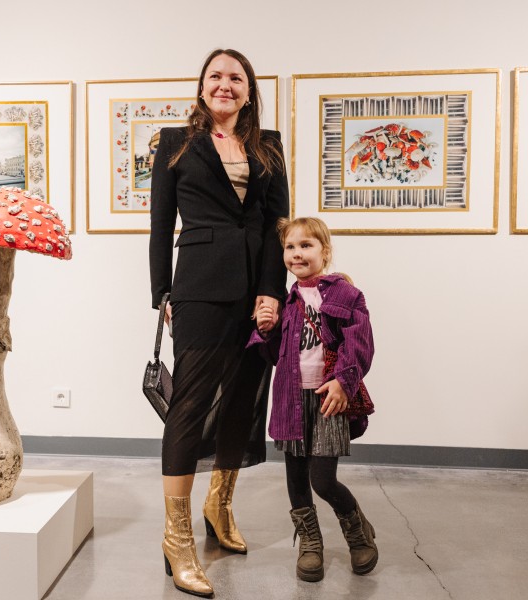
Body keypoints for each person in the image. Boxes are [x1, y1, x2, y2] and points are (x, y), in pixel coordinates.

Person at [149, 48, 289, 598]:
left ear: (249, 91)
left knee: (243, 399)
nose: (225, 85)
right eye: (216, 76)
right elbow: (161, 225)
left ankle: (219, 505)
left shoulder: (268, 146)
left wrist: (272, 291)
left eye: (236, 78)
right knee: (189, 407)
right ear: (202, 87)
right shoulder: (175, 143)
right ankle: (176, 538)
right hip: (200, 288)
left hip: (256, 291)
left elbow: (277, 225)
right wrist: (162, 292)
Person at [252, 216, 377, 583]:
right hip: (290, 398)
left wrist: (343, 382)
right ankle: (310, 542)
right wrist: (266, 330)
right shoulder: (284, 302)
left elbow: (360, 344)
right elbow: (274, 355)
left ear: (325, 251)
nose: (296, 253)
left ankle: (357, 529)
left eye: (306, 245)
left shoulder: (347, 295)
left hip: (328, 399)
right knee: (295, 476)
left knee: (322, 479)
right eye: (290, 247)